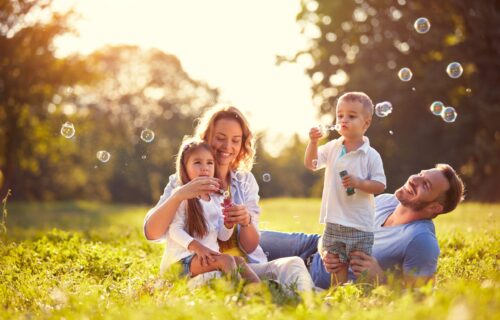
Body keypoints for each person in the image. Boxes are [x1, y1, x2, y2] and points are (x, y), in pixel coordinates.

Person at [144, 105, 314, 291]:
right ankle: (257, 294)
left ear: (242, 144)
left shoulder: (244, 181)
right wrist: (178, 196)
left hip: (243, 266)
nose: (227, 147)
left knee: (294, 264)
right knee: (222, 279)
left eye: (235, 140)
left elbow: (249, 247)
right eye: (220, 138)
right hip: (201, 269)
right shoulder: (183, 181)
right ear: (206, 138)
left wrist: (244, 221)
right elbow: (151, 233)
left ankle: (311, 301)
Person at [260, 164, 465, 289]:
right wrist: (324, 248)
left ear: (435, 207)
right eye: (420, 174)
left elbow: (419, 300)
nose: (414, 179)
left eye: (426, 185)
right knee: (245, 238)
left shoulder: (421, 240)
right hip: (311, 245)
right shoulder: (386, 200)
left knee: (245, 272)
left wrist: (380, 280)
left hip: (317, 277)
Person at [304, 92, 386, 285]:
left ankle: (365, 295)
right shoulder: (333, 147)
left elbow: (380, 185)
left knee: (360, 263)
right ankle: (339, 294)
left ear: (366, 123)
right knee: (336, 263)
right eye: (340, 115)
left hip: (359, 222)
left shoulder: (370, 155)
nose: (343, 120)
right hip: (334, 220)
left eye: (351, 116)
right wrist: (313, 142)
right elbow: (311, 163)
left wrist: (359, 183)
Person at [164, 138, 259, 283]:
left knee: (239, 261)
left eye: (209, 163)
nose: (205, 168)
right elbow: (174, 230)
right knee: (226, 260)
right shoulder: (182, 195)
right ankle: (238, 293)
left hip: (205, 259)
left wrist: (228, 224)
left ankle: (260, 291)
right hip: (180, 263)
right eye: (197, 162)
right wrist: (198, 248)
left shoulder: (217, 198)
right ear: (184, 167)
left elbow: (223, 237)